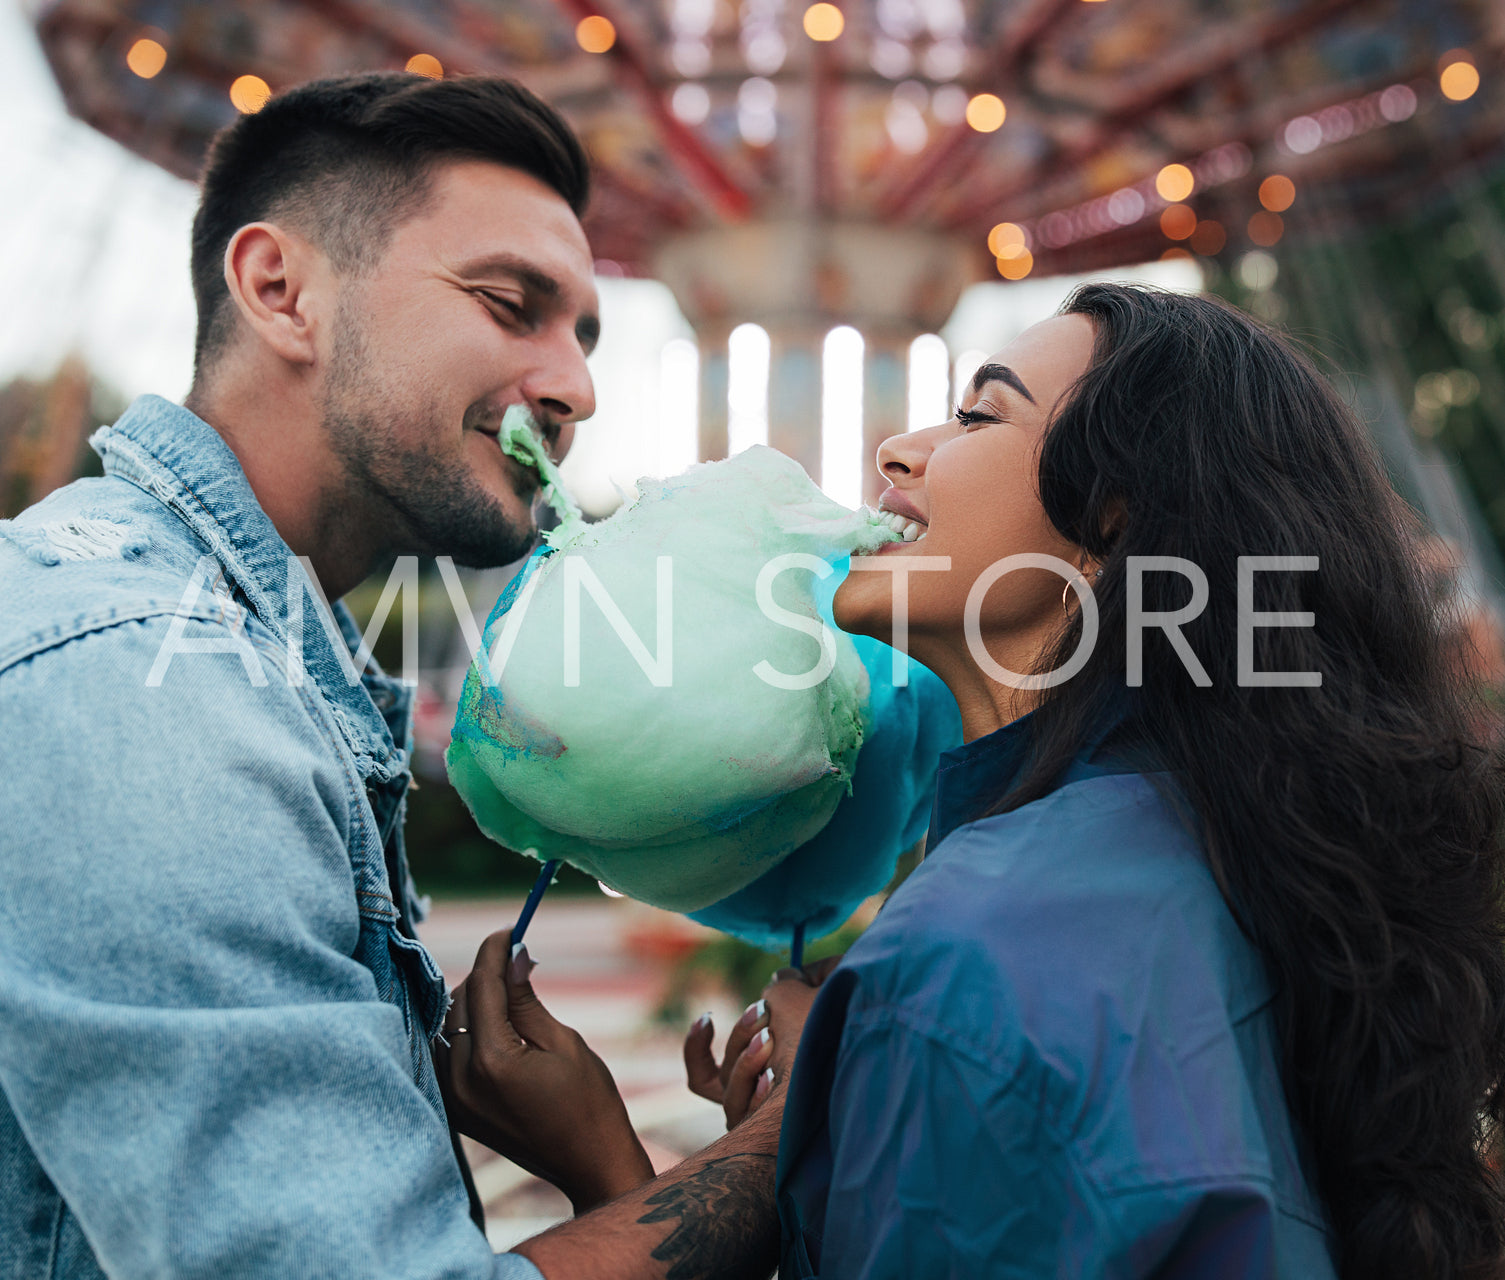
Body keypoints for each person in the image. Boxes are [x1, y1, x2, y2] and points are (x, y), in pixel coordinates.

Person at [0, 71, 799, 1280]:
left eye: (581, 332)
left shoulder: (249, 658)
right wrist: (776, 1144)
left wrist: (604, 1164)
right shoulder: (145, 680)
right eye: (509, 303)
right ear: (281, 290)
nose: (577, 385)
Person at [767, 284, 1505, 1278]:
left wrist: (612, 1172)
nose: (896, 452)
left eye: (978, 414)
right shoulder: (1253, 847)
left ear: (1117, 513)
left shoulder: (963, 959)